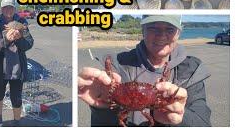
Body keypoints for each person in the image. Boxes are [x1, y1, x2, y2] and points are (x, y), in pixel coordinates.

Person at [78, 15, 211, 127]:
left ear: (178, 34)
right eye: (153, 28)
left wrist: (180, 118)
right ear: (143, 30)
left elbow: (204, 124)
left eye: (170, 29)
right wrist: (101, 111)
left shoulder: (191, 72)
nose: (161, 35)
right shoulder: (117, 66)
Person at [0, 0, 34, 127]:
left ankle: (17, 122)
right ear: (1, 9)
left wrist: (19, 39)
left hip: (17, 68)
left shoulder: (22, 22)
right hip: (0, 68)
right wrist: (6, 40)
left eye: (11, 7)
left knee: (16, 98)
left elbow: (29, 44)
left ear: (15, 8)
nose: (8, 10)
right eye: (5, 7)